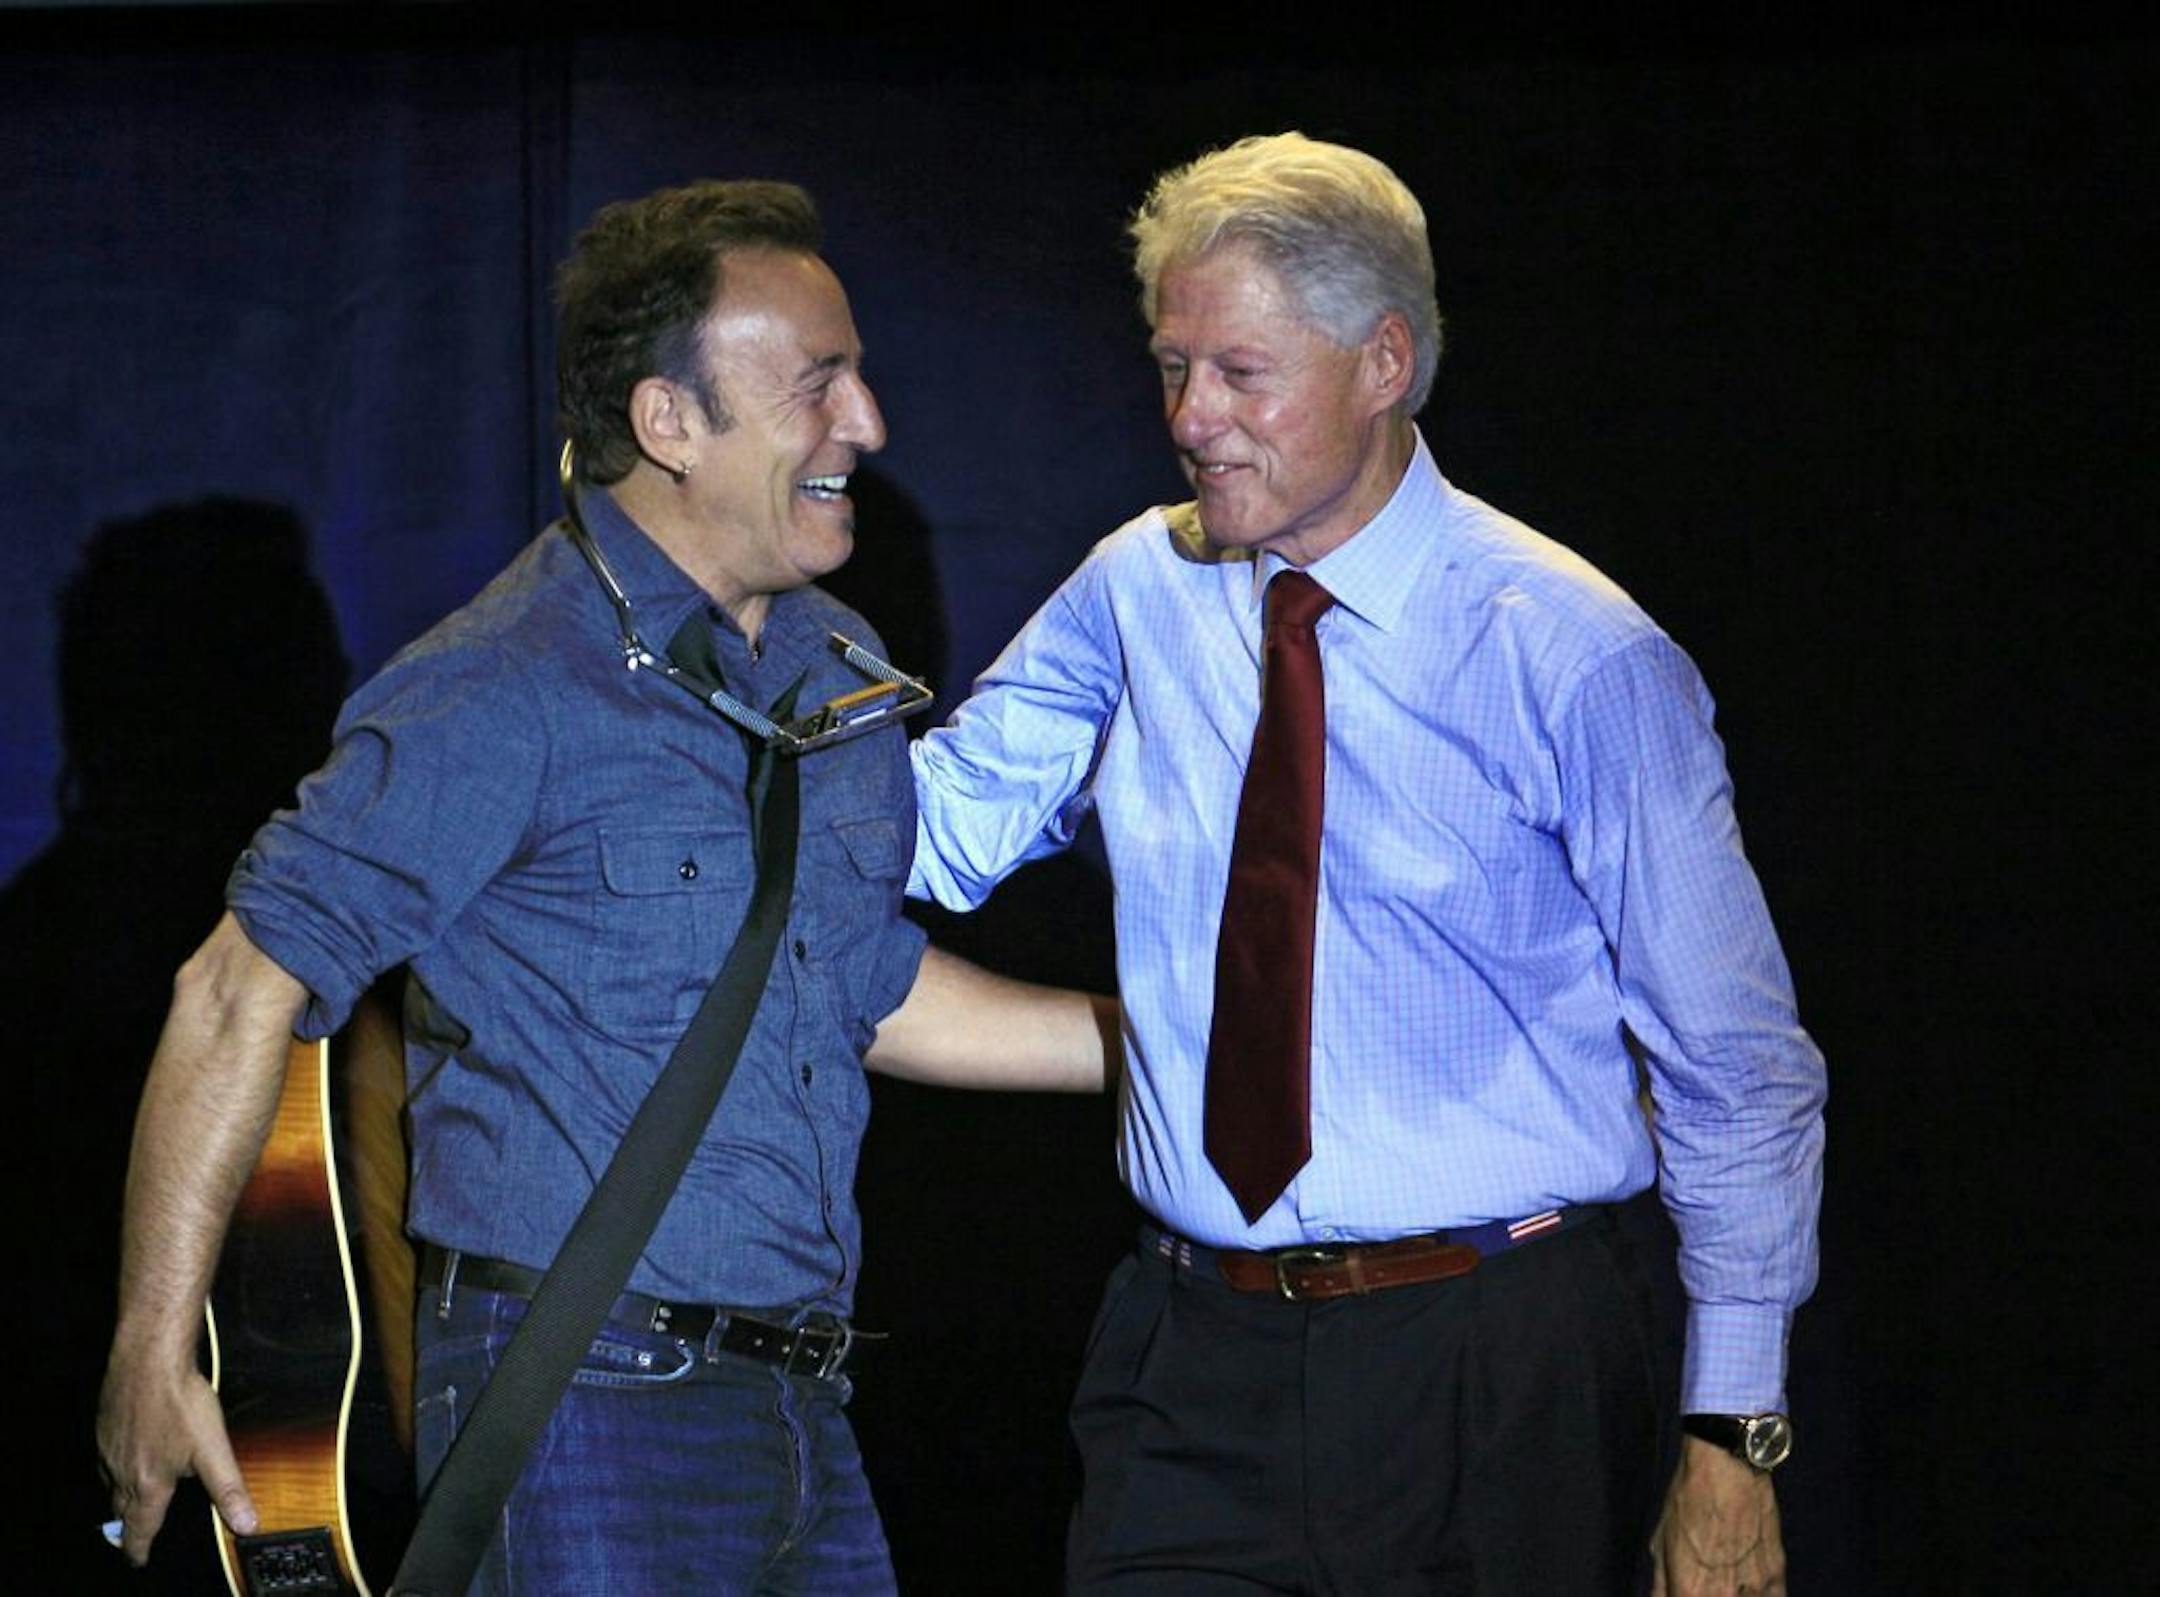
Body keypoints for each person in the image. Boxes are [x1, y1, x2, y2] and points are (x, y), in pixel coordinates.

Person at [95, 178, 1108, 1595]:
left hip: (804, 1404)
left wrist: (1160, 1045)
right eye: (818, 384)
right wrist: (151, 1350)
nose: (869, 424)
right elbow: (232, 989)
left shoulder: (831, 666)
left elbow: (862, 984)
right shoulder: (504, 682)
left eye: (859, 375)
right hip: (587, 1406)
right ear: (669, 421)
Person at [909, 133, 1826, 1596]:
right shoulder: (1139, 589)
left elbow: (1737, 1066)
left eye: (1240, 373)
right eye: (1172, 368)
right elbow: (931, 828)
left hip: (1496, 1358)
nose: (1192, 418)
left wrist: (1733, 1429)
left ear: (1383, 362)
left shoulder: (1572, 655)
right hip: (1192, 1361)